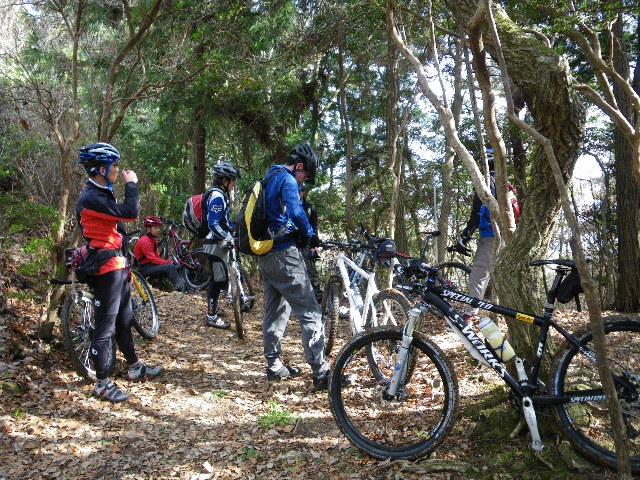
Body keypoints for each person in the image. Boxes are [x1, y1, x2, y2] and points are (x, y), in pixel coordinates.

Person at [76, 142, 162, 403]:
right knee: (105, 327)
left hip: (117, 265)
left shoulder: (103, 192)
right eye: (114, 165)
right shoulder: (92, 198)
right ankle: (102, 384)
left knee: (125, 319)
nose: (118, 169)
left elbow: (117, 228)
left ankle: (134, 367)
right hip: (105, 270)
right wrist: (132, 184)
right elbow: (130, 212)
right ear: (101, 169)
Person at [259, 142, 330, 390]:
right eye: (305, 175)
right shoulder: (287, 180)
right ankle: (322, 373)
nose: (304, 181)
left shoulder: (270, 177)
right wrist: (311, 235)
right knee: (310, 311)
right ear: (299, 166)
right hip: (284, 255)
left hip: (266, 254)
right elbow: (297, 212)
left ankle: (274, 366)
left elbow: (278, 217)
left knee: (275, 310)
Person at [455, 147, 520, 322]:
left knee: (478, 275)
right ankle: (509, 314)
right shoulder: (505, 183)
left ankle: (469, 314)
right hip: (509, 236)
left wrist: (465, 237)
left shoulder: (485, 183)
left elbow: (477, 214)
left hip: (492, 235)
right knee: (501, 275)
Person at [202, 162, 241, 329]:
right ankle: (211, 317)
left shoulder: (220, 195)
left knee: (220, 279)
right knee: (217, 281)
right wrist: (227, 236)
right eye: (233, 180)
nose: (234, 184)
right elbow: (213, 223)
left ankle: (215, 308)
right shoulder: (217, 196)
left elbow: (222, 221)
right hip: (214, 244)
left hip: (218, 243)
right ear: (225, 180)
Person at [133, 216, 186, 292]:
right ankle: (181, 289)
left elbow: (157, 256)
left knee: (177, 265)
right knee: (170, 267)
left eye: (158, 228)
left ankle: (185, 286)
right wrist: (167, 262)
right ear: (148, 229)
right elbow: (153, 259)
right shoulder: (144, 241)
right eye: (155, 228)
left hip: (151, 266)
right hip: (143, 269)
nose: (158, 230)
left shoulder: (152, 240)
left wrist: (168, 262)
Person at [298, 182, 322, 304]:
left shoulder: (309, 207)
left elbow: (314, 226)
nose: (298, 193)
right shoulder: (288, 205)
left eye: (300, 191)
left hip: (308, 243)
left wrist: (315, 244)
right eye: (296, 191)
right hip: (292, 242)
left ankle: (317, 298)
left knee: (312, 270)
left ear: (303, 192)